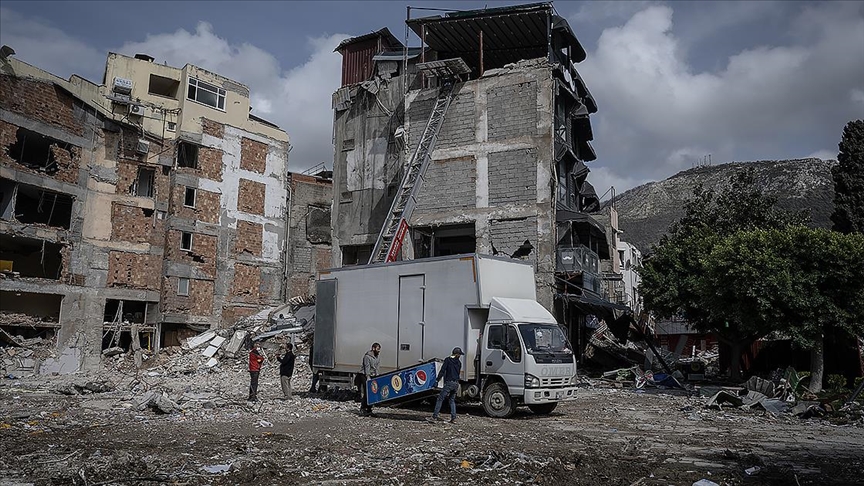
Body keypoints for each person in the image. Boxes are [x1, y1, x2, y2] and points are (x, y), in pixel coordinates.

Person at [427, 347, 463, 424]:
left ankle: (434, 417)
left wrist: (437, 380)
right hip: (456, 383)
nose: (460, 356)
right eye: (459, 354)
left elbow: (442, 371)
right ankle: (453, 418)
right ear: (457, 354)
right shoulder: (459, 363)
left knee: (440, 399)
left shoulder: (448, 360)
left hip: (449, 383)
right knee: (452, 400)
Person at [358, 342, 381, 416]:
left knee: (372, 392)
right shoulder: (367, 357)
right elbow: (366, 367)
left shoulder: (377, 357)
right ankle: (363, 408)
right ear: (373, 348)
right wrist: (368, 377)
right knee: (366, 391)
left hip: (372, 375)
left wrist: (377, 376)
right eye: (377, 349)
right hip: (364, 375)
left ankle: (369, 408)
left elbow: (377, 367)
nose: (379, 351)